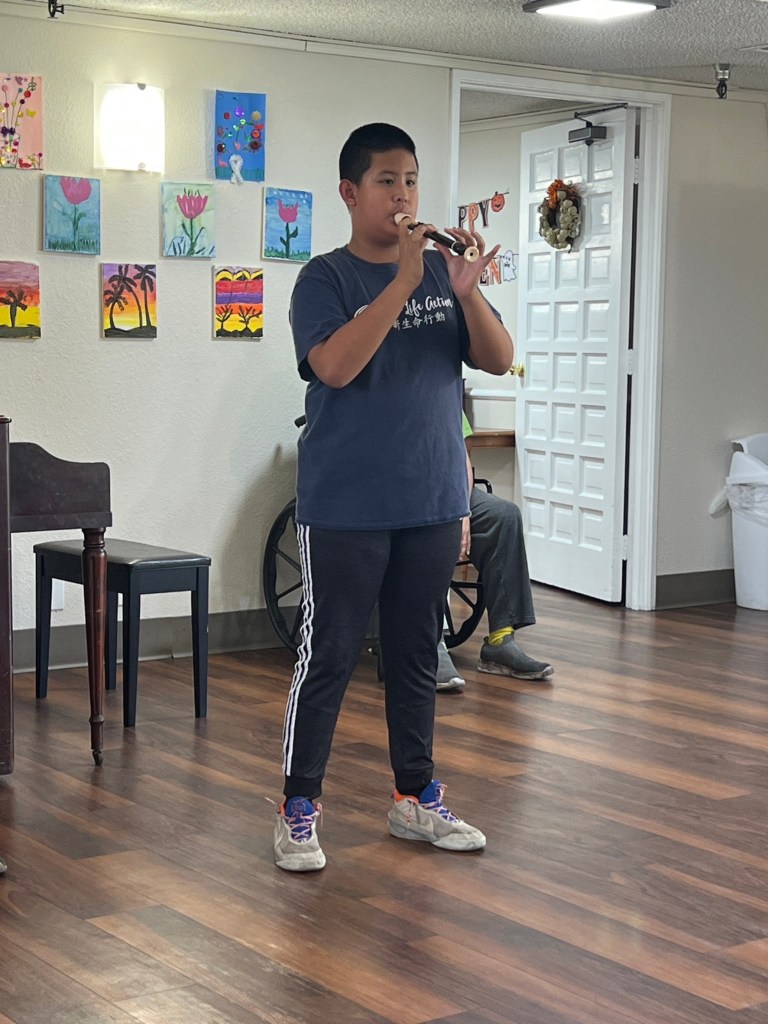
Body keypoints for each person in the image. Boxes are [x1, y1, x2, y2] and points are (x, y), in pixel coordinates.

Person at [273, 122, 514, 871]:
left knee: (416, 655)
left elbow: (499, 359)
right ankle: (298, 809)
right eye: (386, 181)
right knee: (329, 654)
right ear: (351, 193)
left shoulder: (444, 273)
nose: (403, 194)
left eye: (410, 180)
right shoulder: (324, 279)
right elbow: (335, 368)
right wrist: (404, 282)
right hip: (346, 506)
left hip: (432, 500)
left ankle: (416, 797)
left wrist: (467, 293)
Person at [436, 413, 554, 692]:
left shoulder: (446, 395)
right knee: (430, 527)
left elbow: (462, 457)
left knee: (503, 516)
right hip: (408, 492)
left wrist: (462, 510)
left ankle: (501, 640)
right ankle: (430, 643)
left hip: (452, 490)